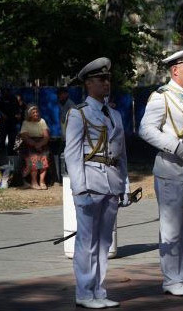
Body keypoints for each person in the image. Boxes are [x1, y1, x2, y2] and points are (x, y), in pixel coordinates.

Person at [139, 45, 183, 296]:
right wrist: (175, 147)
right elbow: (146, 130)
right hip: (172, 170)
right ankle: (171, 280)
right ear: (175, 70)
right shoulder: (162, 96)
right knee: (172, 229)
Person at [64, 57, 131, 309]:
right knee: (86, 242)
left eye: (108, 79)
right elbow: (72, 154)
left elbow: (121, 154)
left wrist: (124, 186)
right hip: (90, 183)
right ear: (89, 83)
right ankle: (84, 293)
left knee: (104, 242)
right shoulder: (79, 113)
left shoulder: (114, 114)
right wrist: (79, 188)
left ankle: (99, 291)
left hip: (111, 184)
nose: (107, 83)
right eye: (101, 79)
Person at [20, 105, 50, 190]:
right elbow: (25, 136)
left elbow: (46, 136)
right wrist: (35, 145)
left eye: (37, 112)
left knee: (43, 163)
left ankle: (42, 182)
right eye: (33, 113)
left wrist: (39, 145)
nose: (36, 114)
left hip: (42, 144)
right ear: (29, 114)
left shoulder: (42, 121)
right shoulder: (25, 123)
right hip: (30, 145)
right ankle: (34, 182)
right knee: (35, 161)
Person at [0, 88, 20, 155]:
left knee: (12, 137)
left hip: (12, 121)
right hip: (4, 121)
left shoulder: (14, 98)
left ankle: (10, 151)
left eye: (8, 90)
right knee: (2, 136)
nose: (6, 92)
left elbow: (18, 108)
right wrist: (2, 115)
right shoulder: (1, 98)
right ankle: (1, 150)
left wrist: (18, 115)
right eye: (5, 90)